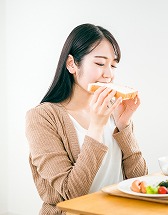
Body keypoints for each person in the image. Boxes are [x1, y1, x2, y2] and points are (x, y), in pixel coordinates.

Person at [25, 23, 148, 214]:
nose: (108, 74)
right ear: (71, 64)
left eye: (113, 65)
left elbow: (140, 181)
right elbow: (71, 194)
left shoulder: (114, 110)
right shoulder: (41, 117)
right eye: (100, 63)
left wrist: (123, 126)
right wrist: (96, 127)